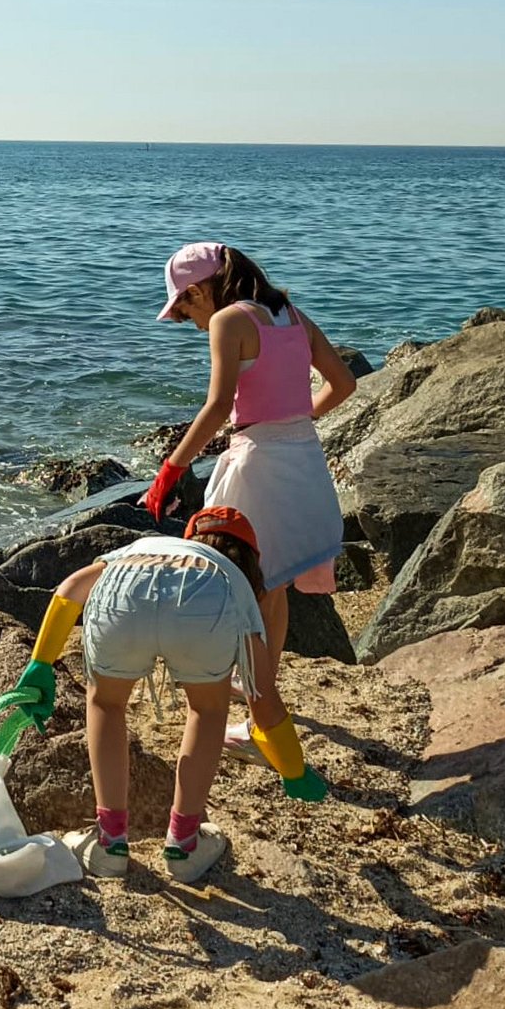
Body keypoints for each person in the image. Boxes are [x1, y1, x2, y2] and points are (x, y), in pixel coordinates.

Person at [11, 506, 326, 884]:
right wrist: (294, 769)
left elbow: (69, 591)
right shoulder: (231, 583)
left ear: (189, 538)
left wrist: (41, 663)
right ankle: (184, 844)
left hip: (124, 590)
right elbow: (264, 699)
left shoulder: (148, 546)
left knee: (106, 704)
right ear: (252, 560)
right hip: (205, 606)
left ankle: (110, 842)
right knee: (208, 712)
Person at [142, 243, 356, 691]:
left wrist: (170, 470)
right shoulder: (293, 317)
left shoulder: (227, 320)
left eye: (185, 315)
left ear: (198, 292)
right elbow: (344, 383)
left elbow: (218, 406)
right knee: (271, 587)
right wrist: (297, 416)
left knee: (234, 581)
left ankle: (235, 689)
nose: (194, 326)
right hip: (303, 458)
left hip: (257, 464)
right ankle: (259, 686)